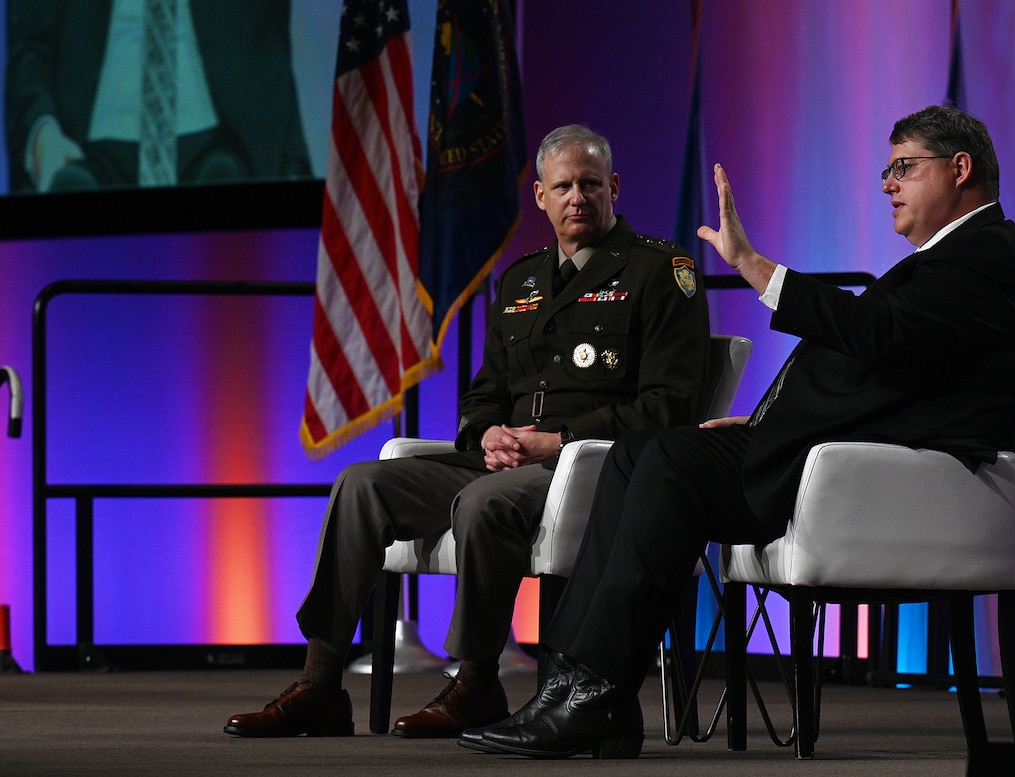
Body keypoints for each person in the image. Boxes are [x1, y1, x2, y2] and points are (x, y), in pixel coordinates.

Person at [460, 105, 1015, 759]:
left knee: (670, 462)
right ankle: (576, 685)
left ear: (960, 168)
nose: (888, 183)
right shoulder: (958, 260)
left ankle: (591, 691)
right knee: (633, 454)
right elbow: (900, 374)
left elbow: (876, 339)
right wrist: (766, 418)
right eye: (889, 170)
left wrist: (755, 266)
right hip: (839, 455)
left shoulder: (986, 254)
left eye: (904, 167)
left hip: (879, 484)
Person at [223, 124, 711, 738]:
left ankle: (477, 683)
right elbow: (484, 392)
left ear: (614, 187)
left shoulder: (660, 272)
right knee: (359, 485)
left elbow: (670, 408)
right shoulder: (520, 281)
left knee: (484, 503)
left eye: (590, 184)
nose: (577, 198)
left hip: (590, 467)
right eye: (563, 186)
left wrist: (552, 441)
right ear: (540, 196)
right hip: (508, 460)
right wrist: (485, 434)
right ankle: (320, 684)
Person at [5, 0, 312, 192]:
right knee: (71, 193)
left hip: (220, 139)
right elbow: (31, 47)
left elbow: (272, 40)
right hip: (85, 148)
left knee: (228, 186)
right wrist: (42, 134)